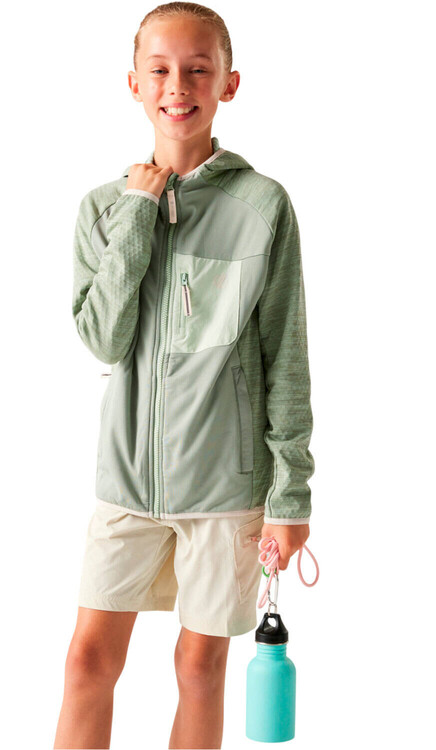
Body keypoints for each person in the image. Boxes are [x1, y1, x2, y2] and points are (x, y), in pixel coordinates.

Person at [54, 3, 315, 748]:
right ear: (133, 83)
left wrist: (290, 495)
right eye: (161, 69)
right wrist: (139, 212)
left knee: (200, 668)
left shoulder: (262, 205)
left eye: (199, 69)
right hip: (127, 481)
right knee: (88, 661)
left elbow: (285, 354)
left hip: (226, 488)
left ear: (229, 83)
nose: (179, 85)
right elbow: (103, 338)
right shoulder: (103, 209)